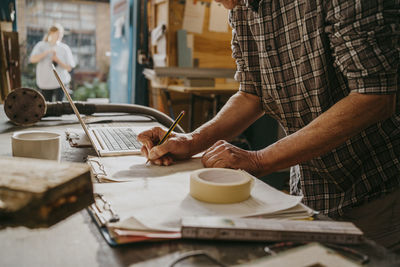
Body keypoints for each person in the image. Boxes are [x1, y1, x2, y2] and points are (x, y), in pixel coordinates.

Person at [138, 0, 400, 252]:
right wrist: (192, 141)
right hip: (307, 191)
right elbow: (252, 93)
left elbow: (374, 96)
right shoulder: (241, 7)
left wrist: (259, 160)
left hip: (376, 190)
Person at [29, 23, 75, 102]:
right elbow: (32, 59)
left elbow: (69, 68)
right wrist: (47, 52)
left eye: (60, 34)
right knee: (47, 108)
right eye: (56, 33)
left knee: (60, 108)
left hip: (60, 82)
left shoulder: (64, 48)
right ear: (50, 33)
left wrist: (57, 60)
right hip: (45, 83)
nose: (58, 36)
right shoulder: (41, 46)